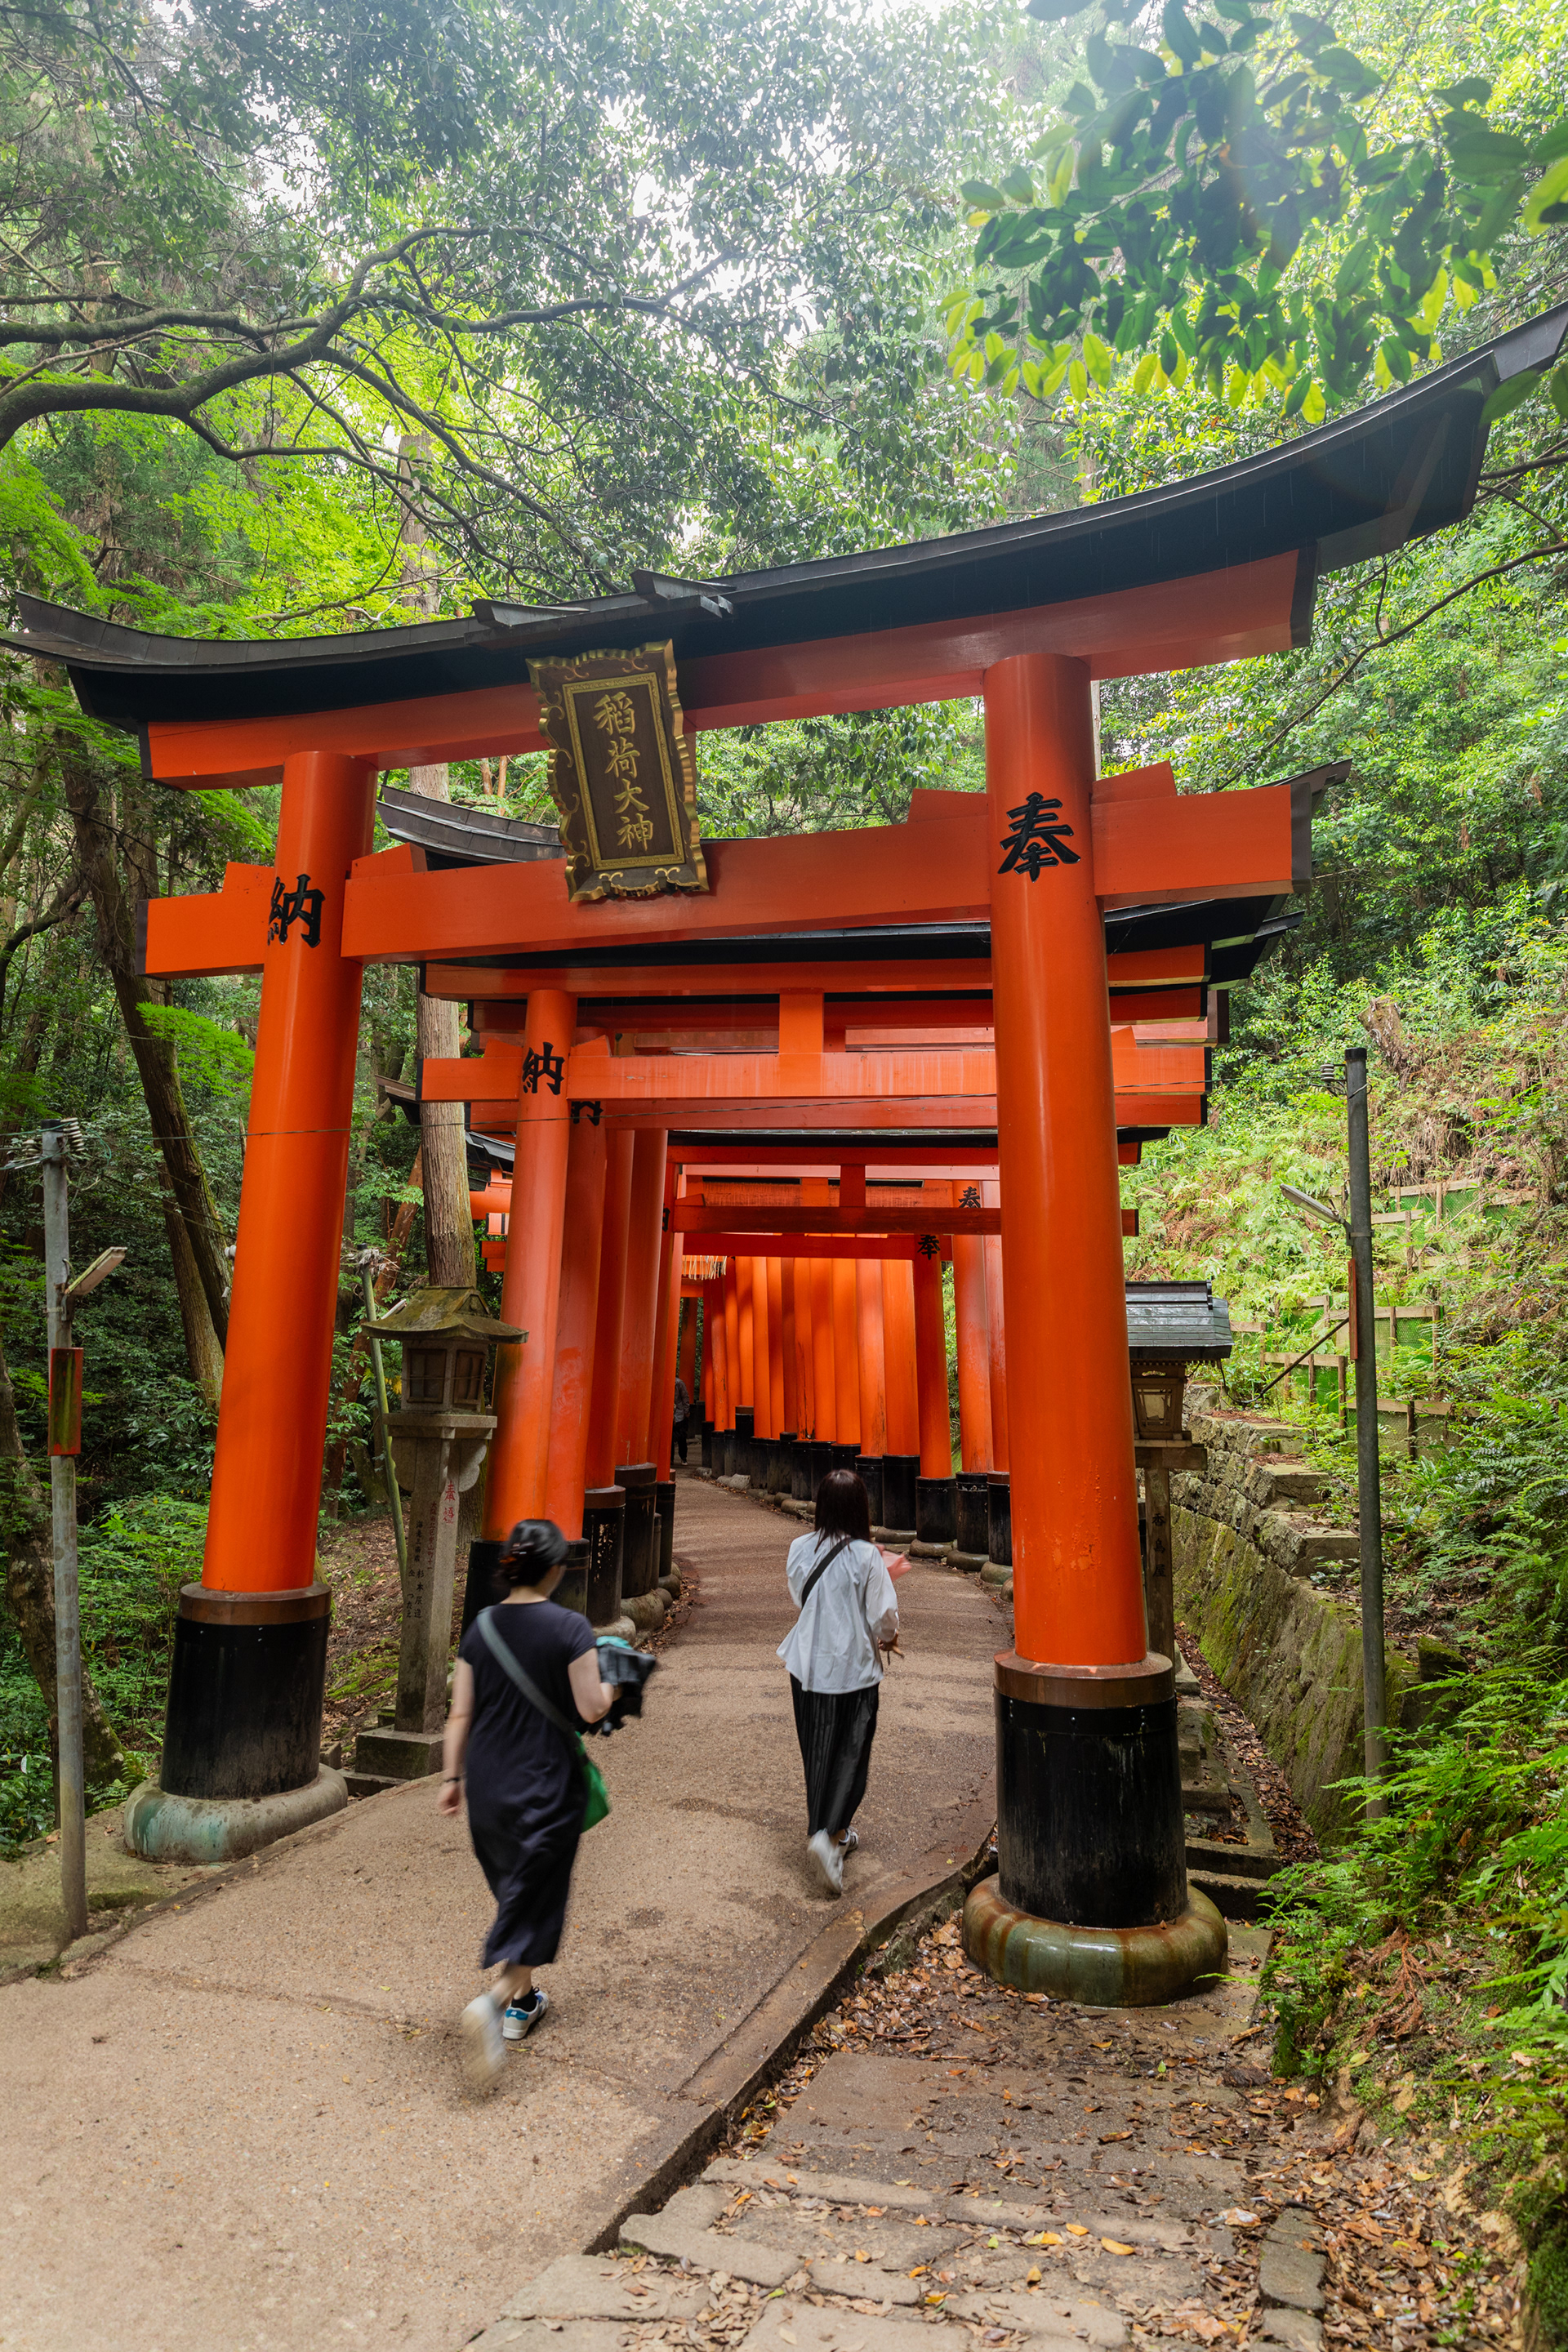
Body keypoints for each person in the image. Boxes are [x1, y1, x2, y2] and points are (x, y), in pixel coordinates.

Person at [439, 1518, 616, 2095]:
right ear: (557, 1570)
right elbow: (592, 1710)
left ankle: (524, 1999)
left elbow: (460, 1713)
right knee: (538, 1897)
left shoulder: (482, 1627)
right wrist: (620, 1681)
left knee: (522, 1890)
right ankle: (493, 2003)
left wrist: (451, 1777)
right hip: (545, 1784)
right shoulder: (570, 1628)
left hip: (488, 1785)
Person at [778, 1468, 902, 1895]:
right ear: (860, 1510)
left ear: (822, 1506)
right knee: (851, 1754)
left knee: (816, 1751)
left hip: (807, 1666)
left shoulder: (798, 1547)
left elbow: (800, 1596)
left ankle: (824, 1829)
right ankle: (829, 1837)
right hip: (852, 1670)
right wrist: (890, 1639)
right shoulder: (868, 1556)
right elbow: (883, 1618)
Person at [671, 1373, 690, 1463]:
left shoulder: (679, 1383)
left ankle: (683, 1457)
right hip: (668, 1412)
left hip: (678, 1412)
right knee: (668, 1437)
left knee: (681, 1436)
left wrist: (686, 1411)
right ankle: (670, 1458)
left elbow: (685, 1397)